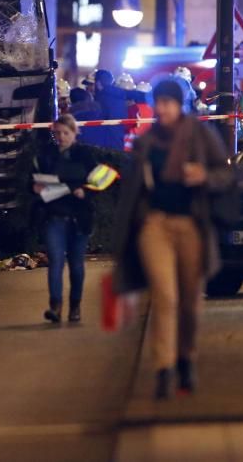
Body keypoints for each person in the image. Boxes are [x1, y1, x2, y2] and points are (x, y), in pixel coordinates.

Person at [111, 80, 235, 400]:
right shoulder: (146, 142)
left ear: (180, 105)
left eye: (169, 102)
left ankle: (186, 358)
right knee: (166, 297)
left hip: (191, 225)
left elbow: (226, 173)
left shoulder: (199, 134)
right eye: (159, 102)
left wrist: (205, 176)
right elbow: (132, 191)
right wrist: (125, 234)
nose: (163, 108)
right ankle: (163, 368)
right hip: (155, 226)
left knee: (191, 300)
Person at [32, 115, 95, 323]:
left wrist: (85, 192)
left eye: (65, 133)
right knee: (56, 262)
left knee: (76, 264)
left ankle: (75, 306)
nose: (60, 137)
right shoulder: (45, 156)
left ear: (75, 133)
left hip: (78, 217)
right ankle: (56, 306)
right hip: (55, 215)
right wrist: (35, 188)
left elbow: (97, 182)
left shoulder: (85, 155)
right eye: (57, 133)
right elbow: (31, 179)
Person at [85, 69, 144, 150]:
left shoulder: (101, 99)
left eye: (93, 84)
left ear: (98, 84)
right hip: (118, 144)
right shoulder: (120, 98)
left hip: (102, 146)